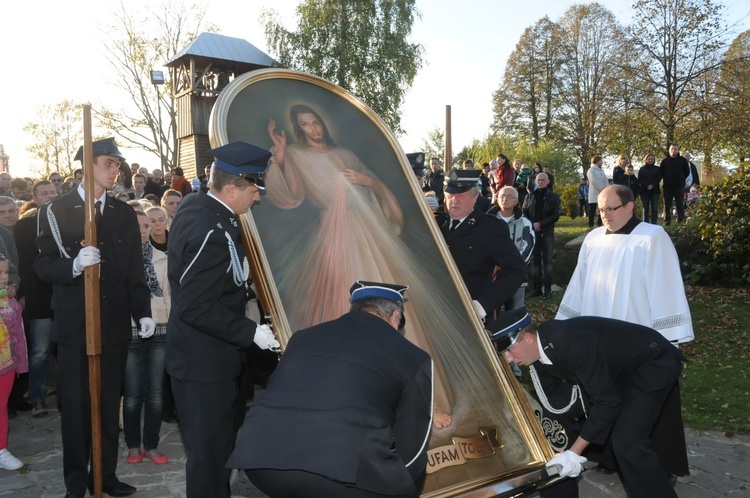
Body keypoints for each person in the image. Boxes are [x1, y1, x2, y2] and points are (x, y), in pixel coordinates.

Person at [265, 104, 458, 429]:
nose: (312, 129)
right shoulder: (297, 156)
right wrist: (282, 156)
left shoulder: (345, 153)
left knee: (393, 310)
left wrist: (367, 180)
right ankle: (350, 403)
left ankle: (424, 400)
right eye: (304, 124)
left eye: (315, 121)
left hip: (369, 234)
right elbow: (291, 196)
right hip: (333, 238)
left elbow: (376, 190)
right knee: (343, 308)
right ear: (298, 129)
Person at [228, 280, 433, 498]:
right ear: (394, 316)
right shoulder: (414, 356)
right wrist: (407, 489)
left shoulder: (302, 337)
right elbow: (413, 450)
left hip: (261, 461)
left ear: (354, 308)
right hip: (340, 474)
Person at [34, 137, 154, 498]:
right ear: (87, 166)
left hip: (114, 324)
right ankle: (76, 482)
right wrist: (72, 265)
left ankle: (104, 476)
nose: (115, 169)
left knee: (106, 405)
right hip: (74, 326)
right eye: (107, 162)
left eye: (117, 163)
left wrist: (143, 312)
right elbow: (40, 264)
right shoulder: (55, 211)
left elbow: (135, 269)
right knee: (75, 408)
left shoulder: (121, 213)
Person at [166, 141, 280, 498]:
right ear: (231, 189)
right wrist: (250, 332)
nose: (257, 198)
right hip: (203, 364)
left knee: (216, 452)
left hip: (206, 357)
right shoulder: (211, 230)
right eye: (253, 190)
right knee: (209, 459)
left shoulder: (200, 207)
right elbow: (195, 306)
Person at [556, 184, 693, 480]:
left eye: (611, 208)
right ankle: (609, 457)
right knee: (604, 396)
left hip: (640, 341)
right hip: (599, 341)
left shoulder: (652, 238)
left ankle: (659, 464)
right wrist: (566, 327)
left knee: (646, 406)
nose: (604, 215)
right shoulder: (593, 239)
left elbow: (665, 285)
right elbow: (579, 285)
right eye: (601, 209)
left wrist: (669, 338)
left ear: (630, 207)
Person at [492, 308, 684, 498]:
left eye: (509, 349)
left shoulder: (571, 342)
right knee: (555, 432)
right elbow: (554, 407)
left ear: (528, 337)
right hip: (616, 370)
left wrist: (575, 452)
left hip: (652, 362)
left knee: (627, 443)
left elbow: (607, 402)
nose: (508, 359)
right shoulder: (535, 356)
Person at [439, 169, 526, 320]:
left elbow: (516, 269)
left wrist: (483, 305)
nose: (454, 200)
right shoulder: (437, 224)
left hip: (468, 316)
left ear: (475, 197)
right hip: (435, 310)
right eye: (450, 195)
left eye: (461, 195)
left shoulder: (490, 228)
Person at [123, 209, 170, 466]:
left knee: (155, 392)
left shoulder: (163, 256)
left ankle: (151, 445)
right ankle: (132, 445)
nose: (142, 230)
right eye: (137, 226)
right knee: (131, 394)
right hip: (130, 327)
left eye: (145, 226)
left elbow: (170, 292)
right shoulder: (118, 259)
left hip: (161, 326)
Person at [15, 180, 58, 418]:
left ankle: (66, 395)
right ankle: (38, 396)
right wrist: (24, 295)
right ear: (35, 198)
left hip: (66, 296)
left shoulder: (69, 221)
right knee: (40, 352)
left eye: (53, 192)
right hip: (39, 298)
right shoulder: (25, 226)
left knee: (67, 351)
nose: (50, 196)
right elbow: (24, 265)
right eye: (44, 193)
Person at [0, 255, 27, 471]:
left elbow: (19, 335)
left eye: (6, 273)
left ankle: (1, 449)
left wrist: (21, 364)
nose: (3, 277)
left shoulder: (11, 304)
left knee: (1, 408)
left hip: (5, 366)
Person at [488, 186, 534, 311]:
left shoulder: (525, 222)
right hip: (491, 277)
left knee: (514, 314)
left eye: (509, 196)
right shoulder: (486, 221)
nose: (505, 199)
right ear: (497, 199)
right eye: (502, 196)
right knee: (490, 313)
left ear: (516, 201)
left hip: (516, 277)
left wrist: (513, 267)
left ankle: (515, 332)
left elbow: (527, 247)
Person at [523, 173, 560, 299]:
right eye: (538, 180)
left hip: (547, 232)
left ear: (548, 181)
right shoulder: (529, 197)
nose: (540, 182)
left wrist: (541, 224)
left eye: (543, 180)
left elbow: (556, 215)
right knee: (536, 262)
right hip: (533, 233)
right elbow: (524, 213)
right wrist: (533, 224)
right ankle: (537, 289)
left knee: (548, 262)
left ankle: (548, 290)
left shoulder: (554, 197)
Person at [659, 143, 690, 225]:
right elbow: (661, 173)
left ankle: (681, 221)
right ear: (669, 150)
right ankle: (667, 221)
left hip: (679, 186)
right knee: (667, 205)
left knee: (679, 204)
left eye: (675, 149)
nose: (673, 151)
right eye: (672, 149)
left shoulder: (683, 161)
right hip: (667, 186)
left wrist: (681, 178)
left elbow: (687, 172)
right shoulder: (664, 161)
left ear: (678, 150)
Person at [637, 153, 661, 224]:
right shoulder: (642, 169)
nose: (651, 160)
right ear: (646, 160)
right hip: (644, 191)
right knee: (645, 208)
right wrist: (647, 185)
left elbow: (659, 178)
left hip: (655, 191)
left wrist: (652, 185)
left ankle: (654, 223)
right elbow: (640, 179)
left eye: (652, 159)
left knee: (654, 208)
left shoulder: (657, 169)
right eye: (649, 159)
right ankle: (645, 223)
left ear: (654, 160)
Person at [586, 155, 608, 228]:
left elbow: (605, 180)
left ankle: (600, 224)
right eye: (601, 161)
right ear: (597, 161)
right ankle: (591, 224)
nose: (602, 162)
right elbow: (593, 181)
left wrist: (606, 188)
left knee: (601, 209)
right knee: (592, 210)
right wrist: (601, 188)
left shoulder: (602, 171)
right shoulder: (591, 170)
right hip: (594, 193)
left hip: (602, 193)